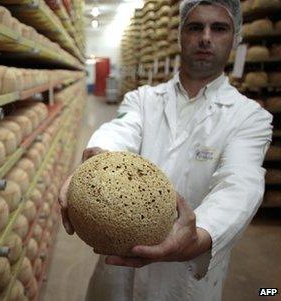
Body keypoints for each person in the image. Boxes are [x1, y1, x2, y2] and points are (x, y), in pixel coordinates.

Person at [58, 0, 273, 300]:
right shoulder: (142, 99)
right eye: (195, 26)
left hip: (185, 284)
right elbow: (121, 130)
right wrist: (96, 160)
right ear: (180, 34)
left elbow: (241, 185)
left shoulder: (250, 116)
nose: (206, 37)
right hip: (116, 271)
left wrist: (198, 236)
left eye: (219, 28)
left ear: (235, 37)